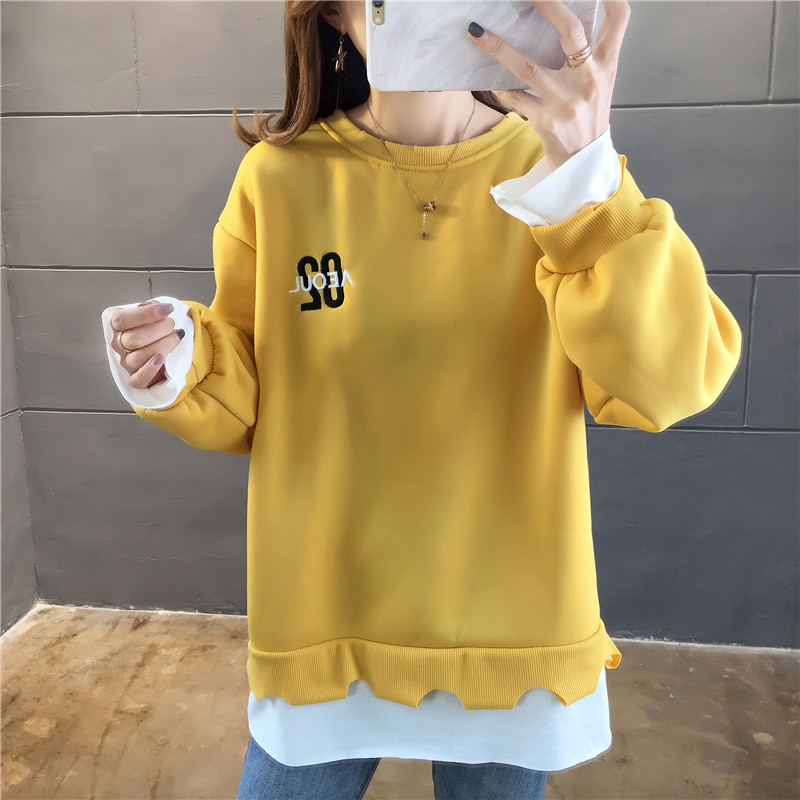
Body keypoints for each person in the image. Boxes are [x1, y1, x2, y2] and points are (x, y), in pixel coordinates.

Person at [100, 1, 743, 798]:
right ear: (334, 15)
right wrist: (180, 359)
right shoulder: (278, 178)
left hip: (511, 632)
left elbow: (666, 382)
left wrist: (589, 173)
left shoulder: (560, 172)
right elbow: (249, 393)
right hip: (326, 624)